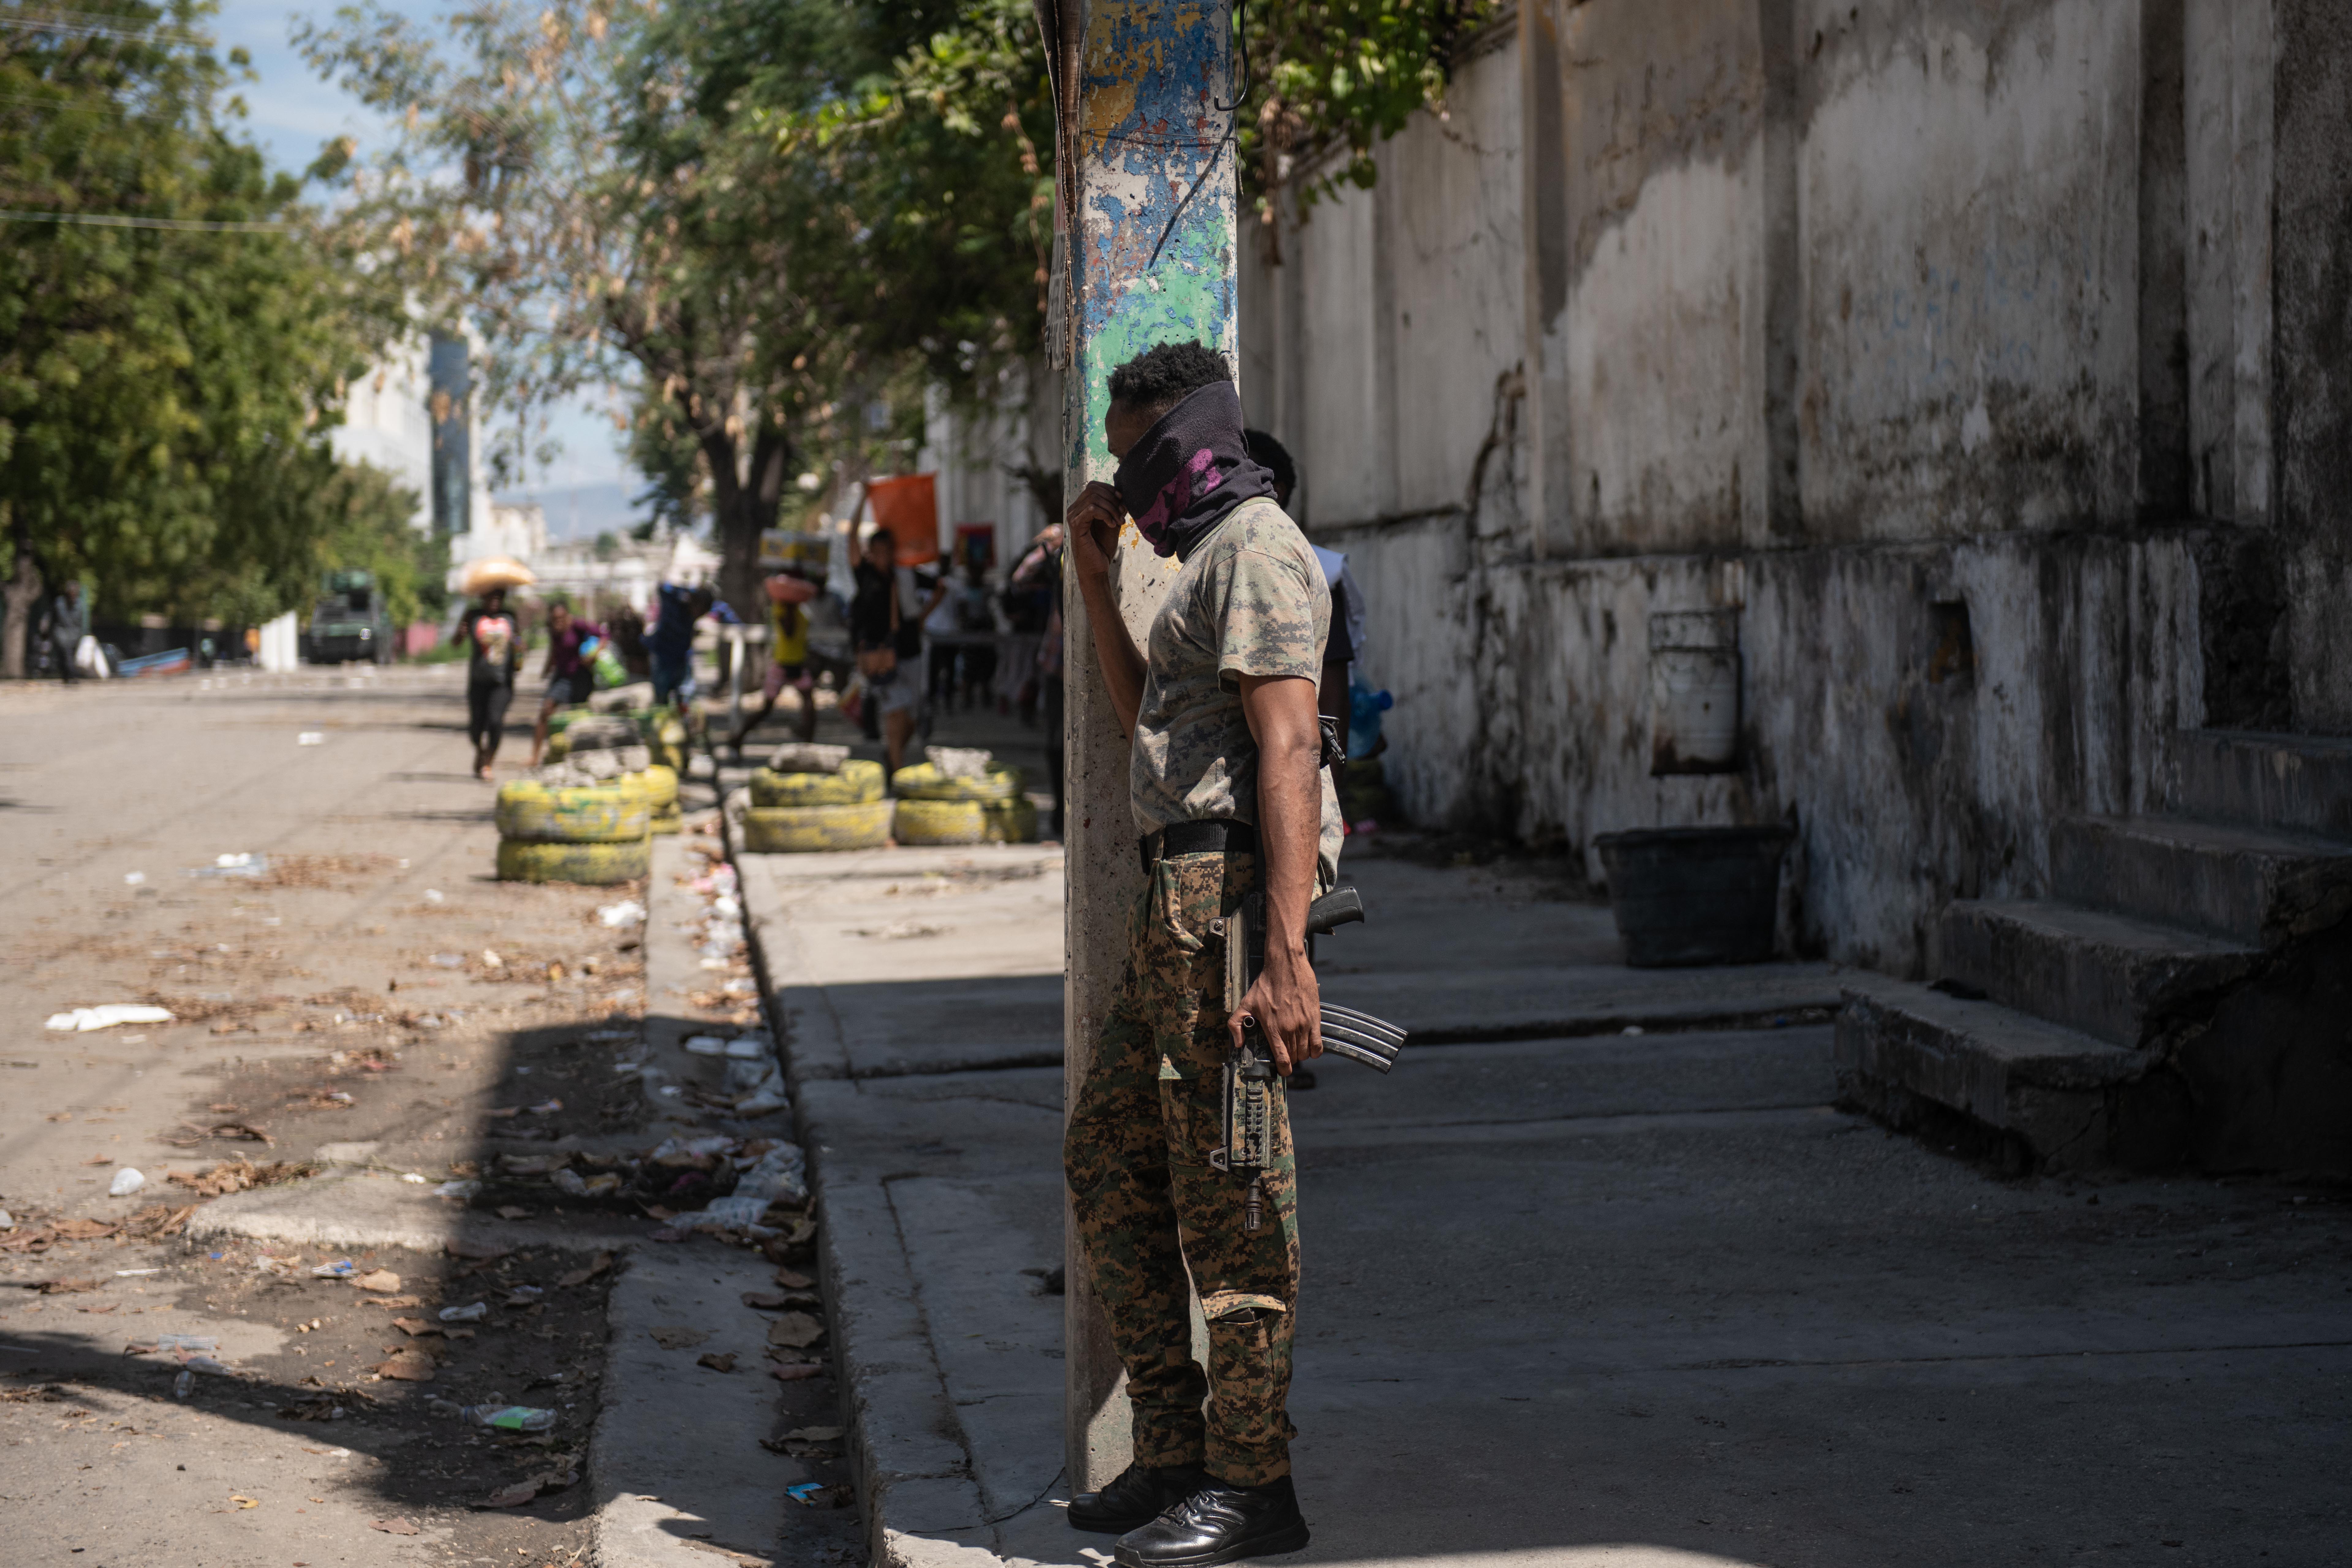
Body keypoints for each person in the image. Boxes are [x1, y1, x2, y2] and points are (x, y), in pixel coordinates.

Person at [1061, 341, 1340, 1567]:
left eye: (1139, 454)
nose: (1129, 481)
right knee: (1113, 1155)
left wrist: (1283, 955)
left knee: (1232, 1191)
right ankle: (1174, 1451)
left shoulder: (1259, 550)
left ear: (1191, 438)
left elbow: (1287, 752)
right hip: (1172, 894)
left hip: (1226, 898)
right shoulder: (1197, 563)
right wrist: (1091, 570)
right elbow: (1150, 726)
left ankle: (1253, 1480)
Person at [849, 529, 924, 775]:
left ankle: (893, 759)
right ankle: (900, 777)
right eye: (877, 552)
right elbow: (852, 539)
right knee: (894, 716)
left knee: (910, 719)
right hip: (880, 657)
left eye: (887, 551)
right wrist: (863, 494)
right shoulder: (866, 576)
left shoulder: (905, 575)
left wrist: (922, 618)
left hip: (909, 652)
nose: (883, 557)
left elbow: (940, 586)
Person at [1008, 524, 1066, 838]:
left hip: (1087, 662)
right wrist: (1044, 546)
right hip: (1057, 662)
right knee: (1056, 744)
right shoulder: (1057, 557)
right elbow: (1020, 579)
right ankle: (1060, 810)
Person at [726, 571, 820, 751]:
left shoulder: (801, 610)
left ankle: (808, 743)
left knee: (810, 704)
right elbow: (789, 632)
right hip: (783, 664)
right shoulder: (781, 609)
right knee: (767, 709)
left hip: (798, 664)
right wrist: (790, 608)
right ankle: (737, 738)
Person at [528, 600, 605, 767]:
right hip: (562, 678)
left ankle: (581, 756)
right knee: (546, 709)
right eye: (555, 620)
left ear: (567, 616)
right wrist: (546, 670)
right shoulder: (553, 630)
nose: (558, 623)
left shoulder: (578, 625)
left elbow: (603, 635)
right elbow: (554, 651)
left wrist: (595, 654)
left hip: (581, 677)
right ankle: (535, 756)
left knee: (580, 716)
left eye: (561, 619)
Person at [458, 585, 521, 779]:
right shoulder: (474, 616)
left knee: (495, 721)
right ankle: (480, 750)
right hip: (478, 680)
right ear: (483, 598)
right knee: (476, 727)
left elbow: (519, 642)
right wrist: (461, 633)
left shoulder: (509, 617)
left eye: (498, 598)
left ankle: (488, 763)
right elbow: (456, 641)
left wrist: (518, 648)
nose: (494, 602)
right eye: (490, 598)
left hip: (502, 681)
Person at [648, 581, 738, 710]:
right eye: (699, 609)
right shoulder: (674, 603)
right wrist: (689, 591)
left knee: (686, 695)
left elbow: (723, 610)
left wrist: (738, 626)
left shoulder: (704, 606)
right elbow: (663, 587)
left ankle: (684, 723)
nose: (699, 614)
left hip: (682, 657)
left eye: (703, 612)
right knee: (662, 697)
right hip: (663, 655)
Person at [49, 581, 86, 685]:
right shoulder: (59, 603)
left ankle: (67, 676)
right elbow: (53, 619)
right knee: (66, 655)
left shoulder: (80, 605)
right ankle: (73, 676)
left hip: (75, 635)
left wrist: (80, 635)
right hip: (62, 633)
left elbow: (81, 623)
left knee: (70, 657)